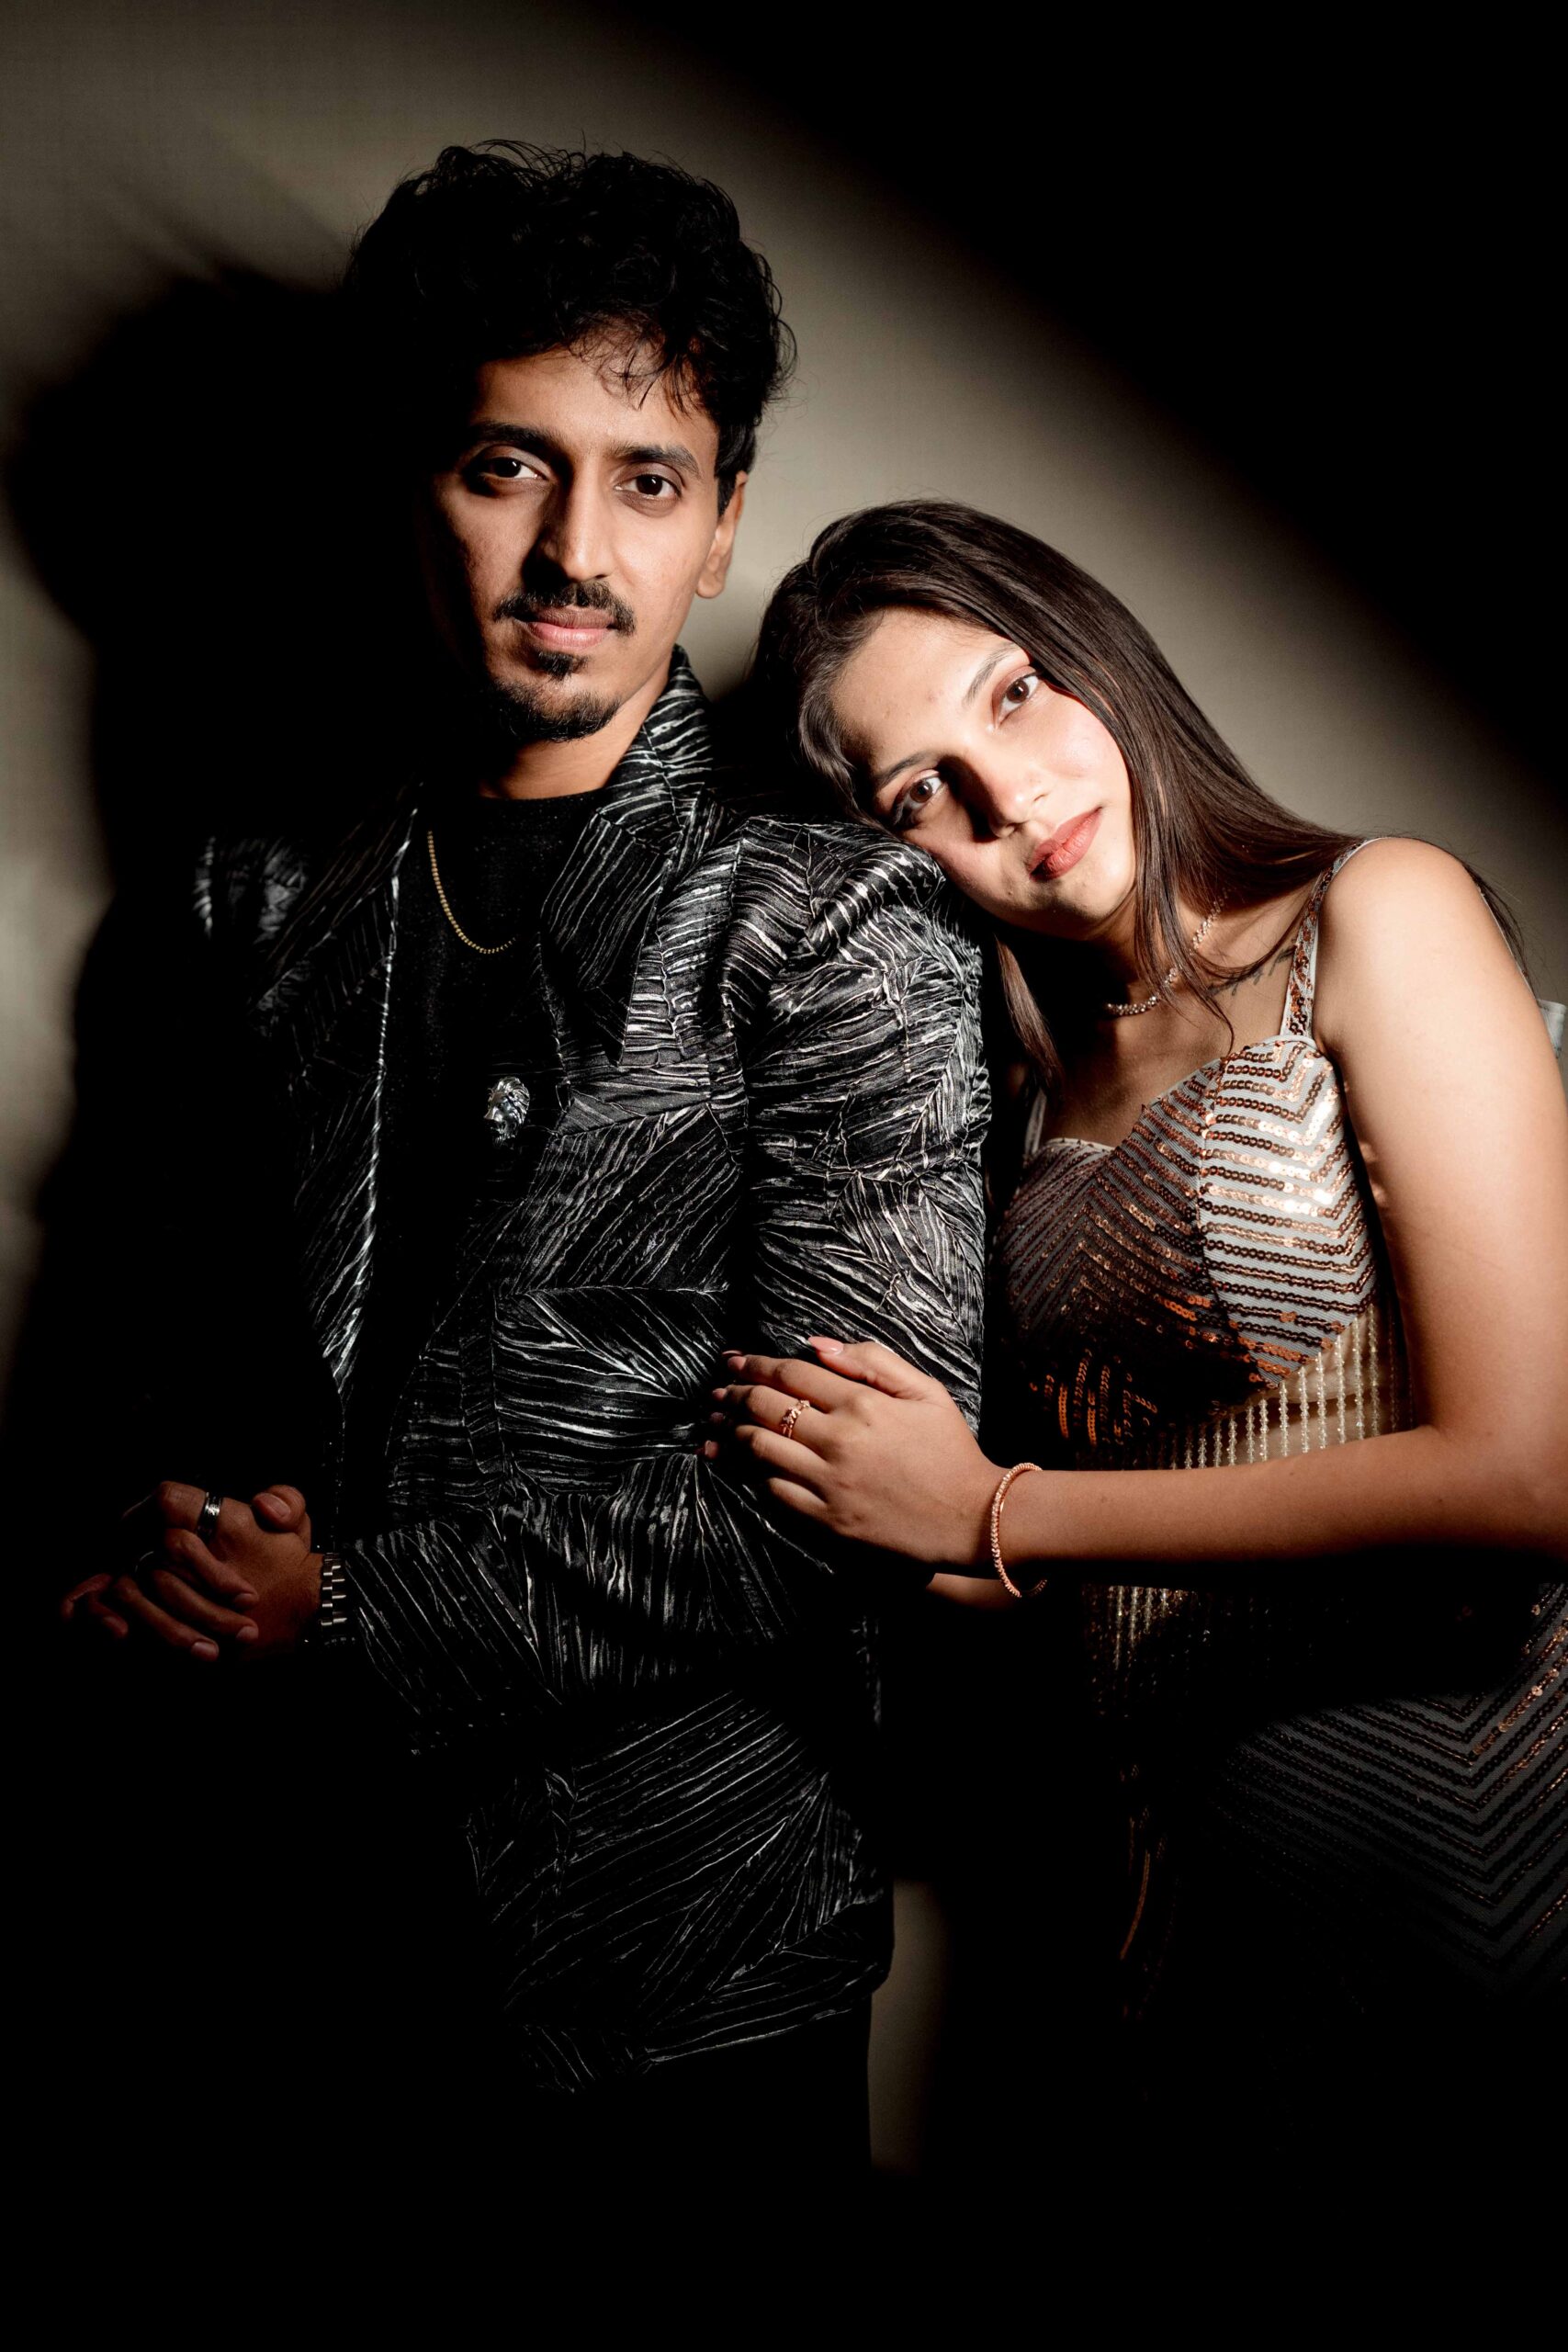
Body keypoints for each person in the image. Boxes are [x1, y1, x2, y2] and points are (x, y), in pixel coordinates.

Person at [52, 158, 987, 2219]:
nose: (576, 553)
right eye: (509, 467)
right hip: (269, 1923)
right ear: (412, 482)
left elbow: (831, 1517)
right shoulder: (243, 894)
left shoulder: (832, 925)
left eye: (648, 482)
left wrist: (340, 1610)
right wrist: (160, 1535)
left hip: (677, 1960)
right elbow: (146, 1337)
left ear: (721, 519)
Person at [719, 499, 1568, 2200]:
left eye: (1015, 694)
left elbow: (1533, 1474)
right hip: (1185, 1890)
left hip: (1476, 1839)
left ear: (1093, 649)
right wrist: (903, 1529)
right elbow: (1139, 1518)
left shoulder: (1376, 913)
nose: (1011, 798)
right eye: (922, 792)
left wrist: (997, 1514)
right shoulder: (1017, 1099)